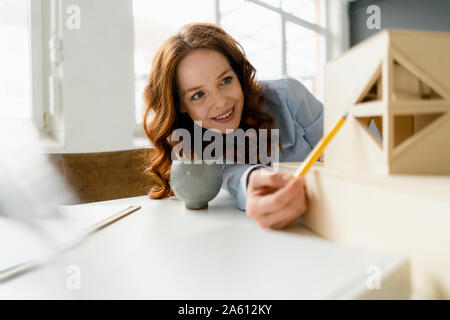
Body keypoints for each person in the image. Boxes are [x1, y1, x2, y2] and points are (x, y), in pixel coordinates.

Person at [143, 23, 323, 230]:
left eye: (225, 80)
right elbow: (233, 174)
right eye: (198, 95)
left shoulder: (288, 96)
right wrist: (253, 182)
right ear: (180, 105)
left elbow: (348, 146)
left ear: (238, 74)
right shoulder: (190, 144)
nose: (220, 102)